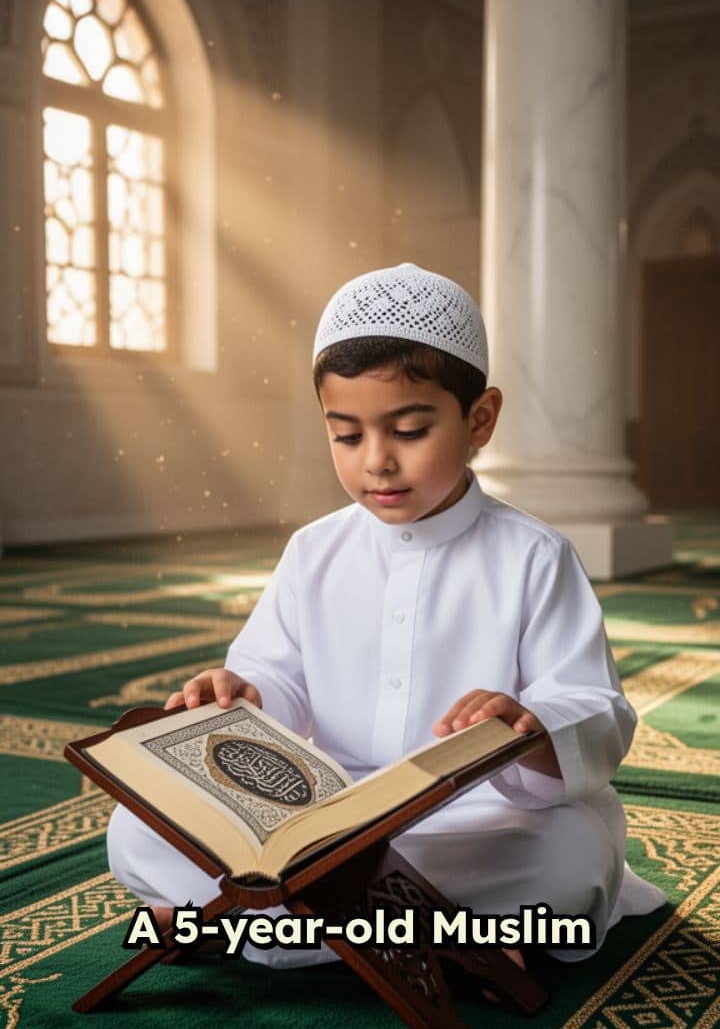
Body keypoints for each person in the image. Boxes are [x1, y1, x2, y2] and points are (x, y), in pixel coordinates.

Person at [107, 262, 665, 969]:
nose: (377, 462)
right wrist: (239, 694)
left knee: (570, 858)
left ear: (479, 419)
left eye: (408, 429)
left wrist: (529, 723)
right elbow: (274, 676)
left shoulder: (534, 556)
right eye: (346, 436)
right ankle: (449, 944)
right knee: (135, 830)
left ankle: (251, 923)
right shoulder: (314, 551)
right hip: (322, 816)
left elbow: (589, 702)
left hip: (467, 817)